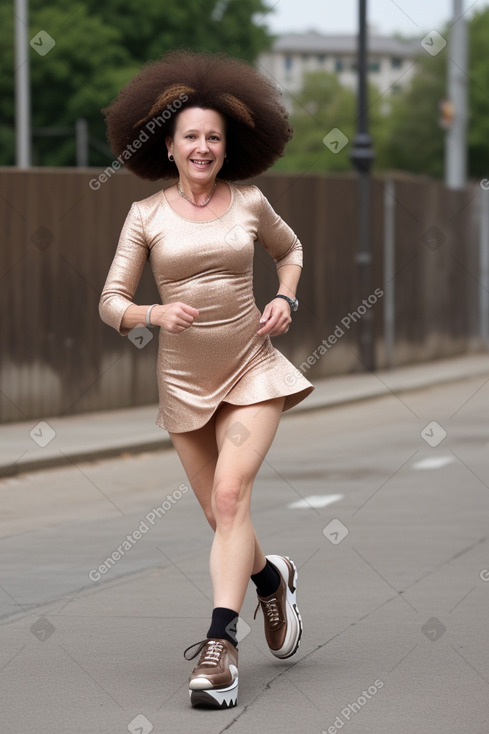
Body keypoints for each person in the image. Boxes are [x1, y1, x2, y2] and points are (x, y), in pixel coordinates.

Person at [99, 50, 314, 710]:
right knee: (226, 522)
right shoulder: (146, 215)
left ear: (228, 148)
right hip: (183, 385)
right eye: (189, 136)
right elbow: (110, 301)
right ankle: (270, 580)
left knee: (229, 500)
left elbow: (291, 250)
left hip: (252, 367)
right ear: (167, 144)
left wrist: (285, 298)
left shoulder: (248, 201)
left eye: (213, 138)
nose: (201, 147)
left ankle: (221, 649)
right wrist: (152, 310)